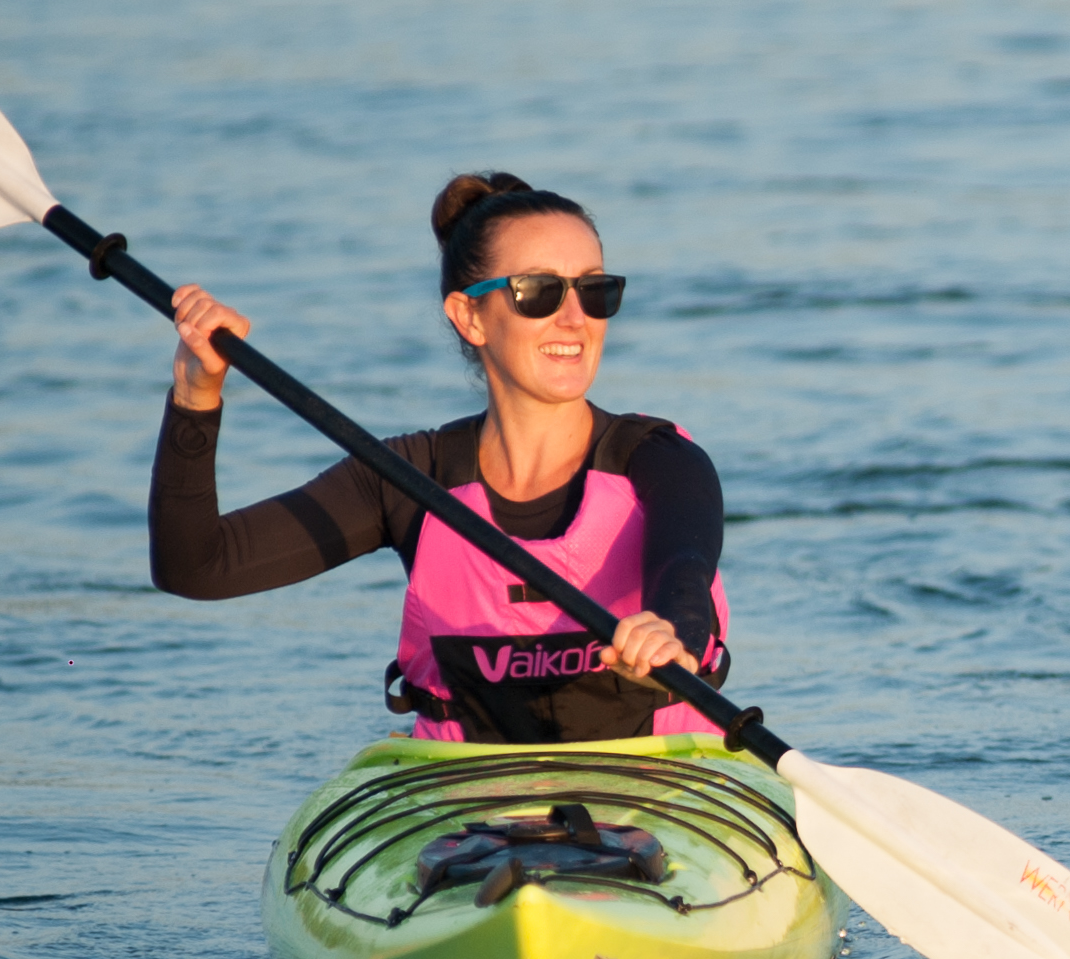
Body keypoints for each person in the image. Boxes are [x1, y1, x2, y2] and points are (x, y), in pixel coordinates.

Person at [150, 172, 730, 744]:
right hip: (472, 811)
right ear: (469, 316)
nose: (575, 318)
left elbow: (683, 569)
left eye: (594, 289)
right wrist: (195, 396)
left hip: (662, 792)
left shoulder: (660, 462)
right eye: (539, 291)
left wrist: (670, 631)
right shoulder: (409, 480)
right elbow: (196, 567)